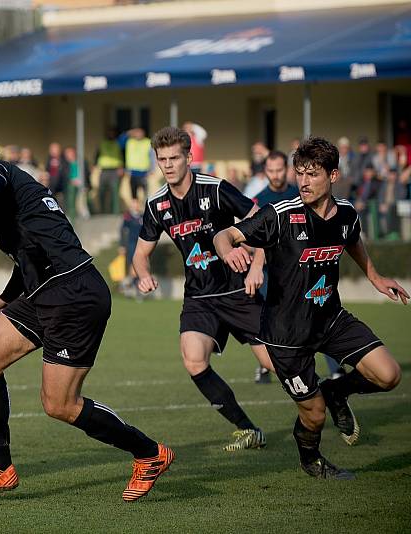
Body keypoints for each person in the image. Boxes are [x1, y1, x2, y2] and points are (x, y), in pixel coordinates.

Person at [0, 119, 173, 502]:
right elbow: (30, 253)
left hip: (74, 294)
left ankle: (150, 453)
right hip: (45, 290)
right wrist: (7, 296)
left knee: (59, 405)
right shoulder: (9, 190)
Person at [214, 136, 407, 479]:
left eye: (312, 174)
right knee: (314, 414)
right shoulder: (281, 215)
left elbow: (352, 239)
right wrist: (228, 250)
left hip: (331, 319)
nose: (303, 181)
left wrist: (375, 277)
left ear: (333, 176)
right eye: (299, 173)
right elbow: (224, 235)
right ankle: (311, 460)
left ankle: (336, 390)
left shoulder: (346, 212)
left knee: (390, 375)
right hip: (287, 336)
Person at [132, 126, 273, 452]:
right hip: (199, 297)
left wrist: (255, 265)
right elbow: (140, 254)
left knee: (274, 363)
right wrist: (143, 275)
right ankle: (247, 429)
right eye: (162, 159)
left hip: (238, 292)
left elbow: (265, 222)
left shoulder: (216, 188)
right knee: (193, 359)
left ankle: (328, 399)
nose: (167, 165)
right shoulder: (157, 205)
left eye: (174, 158)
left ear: (189, 157)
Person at [251, 152, 342, 384]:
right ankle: (266, 365)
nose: (275, 175)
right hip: (271, 274)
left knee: (318, 314)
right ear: (265, 171)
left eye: (279, 169)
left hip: (303, 271)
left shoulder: (300, 194)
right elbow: (257, 238)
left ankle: (335, 368)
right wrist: (255, 265)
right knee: (271, 319)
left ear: (287, 169)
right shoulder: (259, 199)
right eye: (270, 170)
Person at [95, 127, 124, 214]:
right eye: (109, 132)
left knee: (114, 192)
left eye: (112, 132)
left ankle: (115, 212)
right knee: (101, 191)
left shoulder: (118, 143)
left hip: (115, 170)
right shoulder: (102, 143)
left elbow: (123, 155)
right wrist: (94, 165)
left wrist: (122, 167)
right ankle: (102, 211)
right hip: (103, 170)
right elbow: (97, 154)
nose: (111, 134)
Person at [120, 128, 153, 201]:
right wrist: (128, 132)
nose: (138, 134)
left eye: (140, 132)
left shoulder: (148, 142)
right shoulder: (129, 142)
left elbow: (153, 156)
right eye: (136, 132)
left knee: (147, 195)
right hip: (132, 173)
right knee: (133, 195)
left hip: (145, 173)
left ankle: (147, 210)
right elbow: (119, 142)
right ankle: (135, 210)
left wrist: (151, 169)